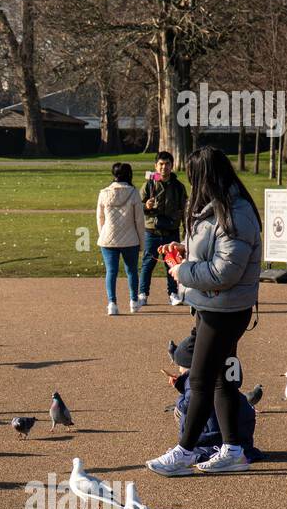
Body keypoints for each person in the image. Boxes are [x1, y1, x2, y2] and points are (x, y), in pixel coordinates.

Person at [146, 146, 261, 476]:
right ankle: (233, 450)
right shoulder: (217, 209)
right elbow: (213, 254)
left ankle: (185, 451)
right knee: (222, 380)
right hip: (213, 305)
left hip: (224, 310)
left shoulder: (234, 213)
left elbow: (226, 272)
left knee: (199, 379)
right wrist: (183, 252)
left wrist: (182, 272)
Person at [164, 332, 261, 464]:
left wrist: (181, 389)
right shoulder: (219, 369)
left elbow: (188, 404)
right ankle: (230, 447)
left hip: (212, 442)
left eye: (180, 365)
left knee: (179, 410)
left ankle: (190, 447)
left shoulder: (194, 379)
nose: (179, 369)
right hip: (242, 441)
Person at [95, 161, 146, 315]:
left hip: (108, 239)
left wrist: (102, 234)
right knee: (131, 271)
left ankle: (112, 303)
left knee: (111, 272)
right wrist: (142, 243)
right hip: (130, 239)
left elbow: (100, 218)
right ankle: (133, 301)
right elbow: (139, 220)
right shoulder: (133, 192)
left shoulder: (104, 192)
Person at [138, 151, 187, 307]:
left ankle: (173, 294)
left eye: (167, 164)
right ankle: (143, 294)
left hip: (171, 232)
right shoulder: (148, 185)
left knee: (173, 264)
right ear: (155, 166)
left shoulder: (179, 187)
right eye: (161, 164)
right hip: (152, 232)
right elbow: (137, 207)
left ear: (172, 166)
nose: (164, 167)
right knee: (147, 264)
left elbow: (185, 210)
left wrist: (186, 230)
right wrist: (146, 206)